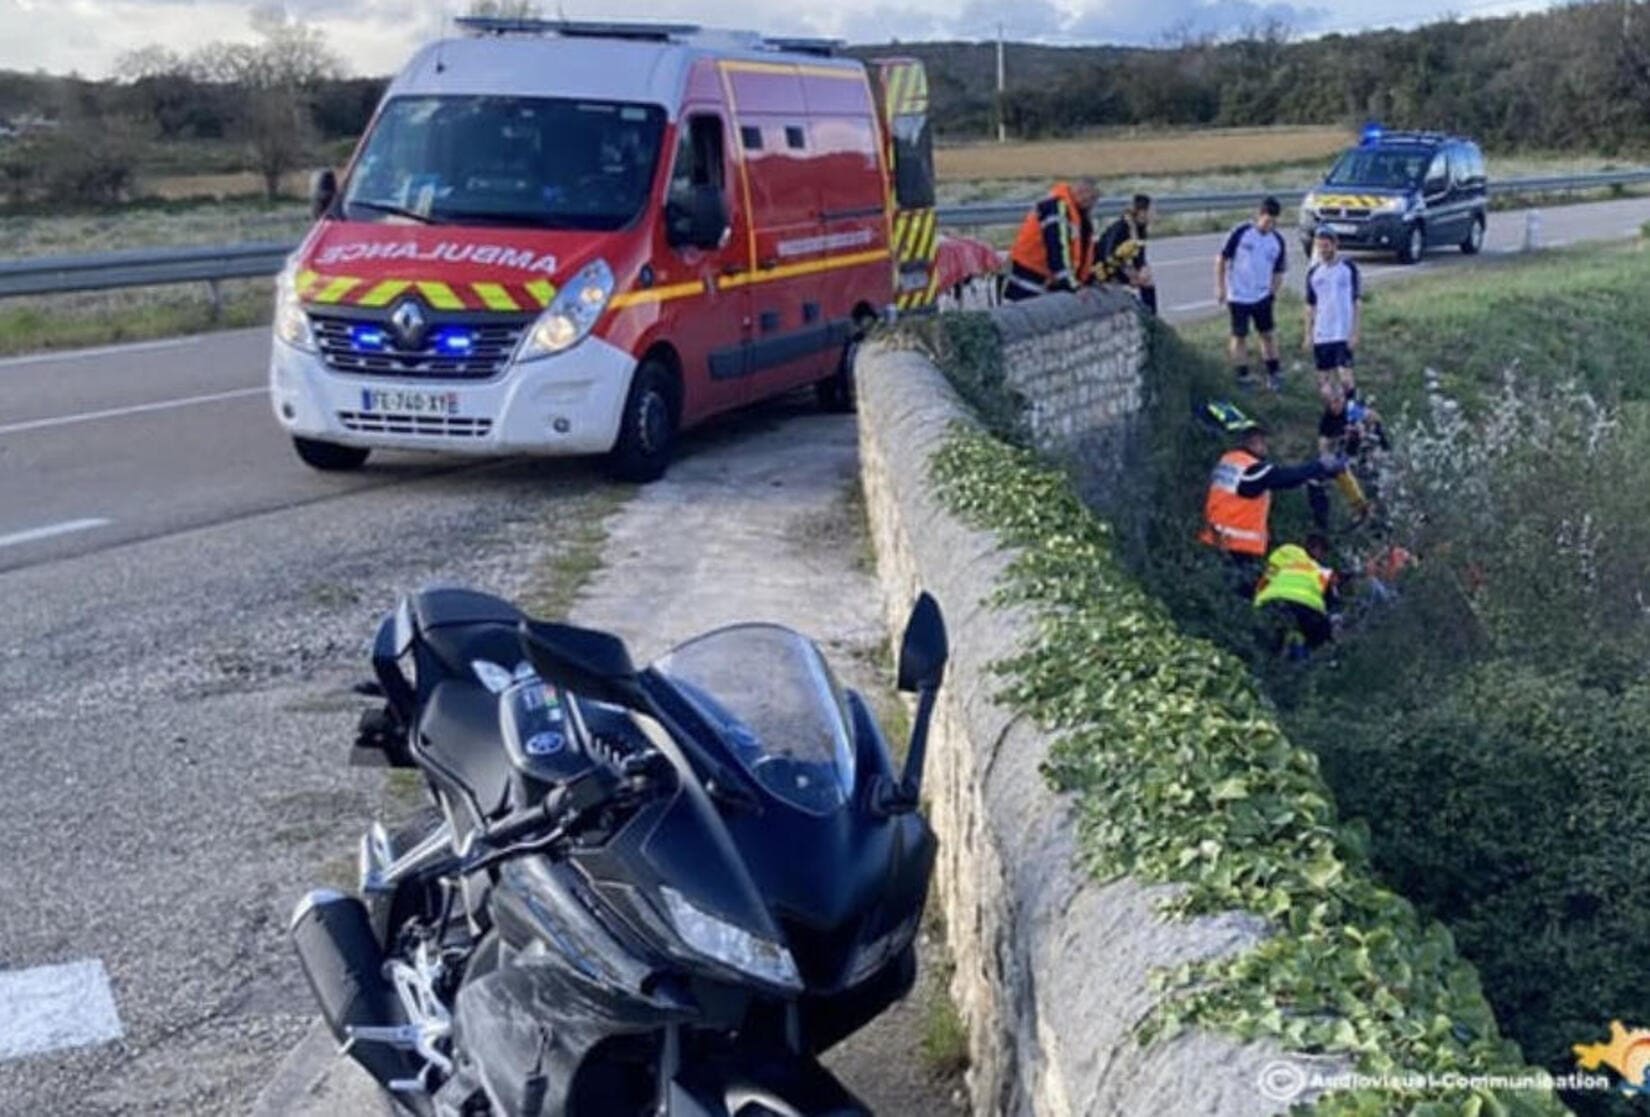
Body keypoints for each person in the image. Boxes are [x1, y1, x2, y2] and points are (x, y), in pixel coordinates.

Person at [1200, 420, 1341, 591]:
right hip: (1235, 545)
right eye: (1262, 441)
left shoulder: (1229, 461)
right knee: (1240, 592)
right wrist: (1320, 466)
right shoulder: (1252, 469)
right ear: (1253, 442)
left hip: (1216, 537)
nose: (1265, 446)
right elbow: (1285, 478)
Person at [1216, 197, 1288, 392]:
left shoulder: (1277, 241)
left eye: (1274, 222)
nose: (1269, 225)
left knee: (1268, 334)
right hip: (1238, 296)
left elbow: (1279, 270)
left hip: (1262, 297)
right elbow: (1221, 259)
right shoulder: (1241, 233)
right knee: (1239, 336)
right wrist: (1221, 288)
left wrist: (1272, 293)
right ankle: (1243, 375)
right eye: (1267, 220)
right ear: (1259, 215)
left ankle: (1274, 371)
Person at [1006, 178, 1100, 302]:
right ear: (1082, 192)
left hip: (1045, 278)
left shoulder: (1077, 213)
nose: (1092, 204)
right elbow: (1057, 248)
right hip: (1031, 276)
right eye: (1092, 199)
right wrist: (1072, 285)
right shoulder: (1056, 209)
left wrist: (1086, 280)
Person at [1254, 534, 1338, 658]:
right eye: (1322, 552)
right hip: (1304, 608)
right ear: (1317, 549)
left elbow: (1267, 576)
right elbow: (1331, 600)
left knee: (1272, 637)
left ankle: (1269, 657)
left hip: (1272, 600)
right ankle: (1306, 662)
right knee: (1322, 632)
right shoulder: (1321, 571)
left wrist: (1257, 599)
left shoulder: (1287, 552)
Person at [1303, 228, 1362, 401]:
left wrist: (1355, 332)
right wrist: (1308, 334)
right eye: (1320, 246)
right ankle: (1333, 412)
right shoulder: (1314, 273)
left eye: (1326, 246)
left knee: (1345, 375)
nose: (1323, 250)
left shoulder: (1347, 268)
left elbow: (1356, 302)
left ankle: (1351, 410)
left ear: (1335, 245)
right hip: (1322, 333)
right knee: (1324, 380)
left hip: (1342, 331)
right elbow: (1310, 306)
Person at [1097, 193, 1157, 315]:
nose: (1154, 214)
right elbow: (1109, 256)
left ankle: (1151, 317)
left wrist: (1142, 269)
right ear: (1141, 212)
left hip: (1119, 267)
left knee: (1148, 282)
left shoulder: (1140, 229)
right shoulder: (1122, 227)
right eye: (1152, 210)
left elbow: (1139, 255)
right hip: (1102, 269)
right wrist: (1127, 276)